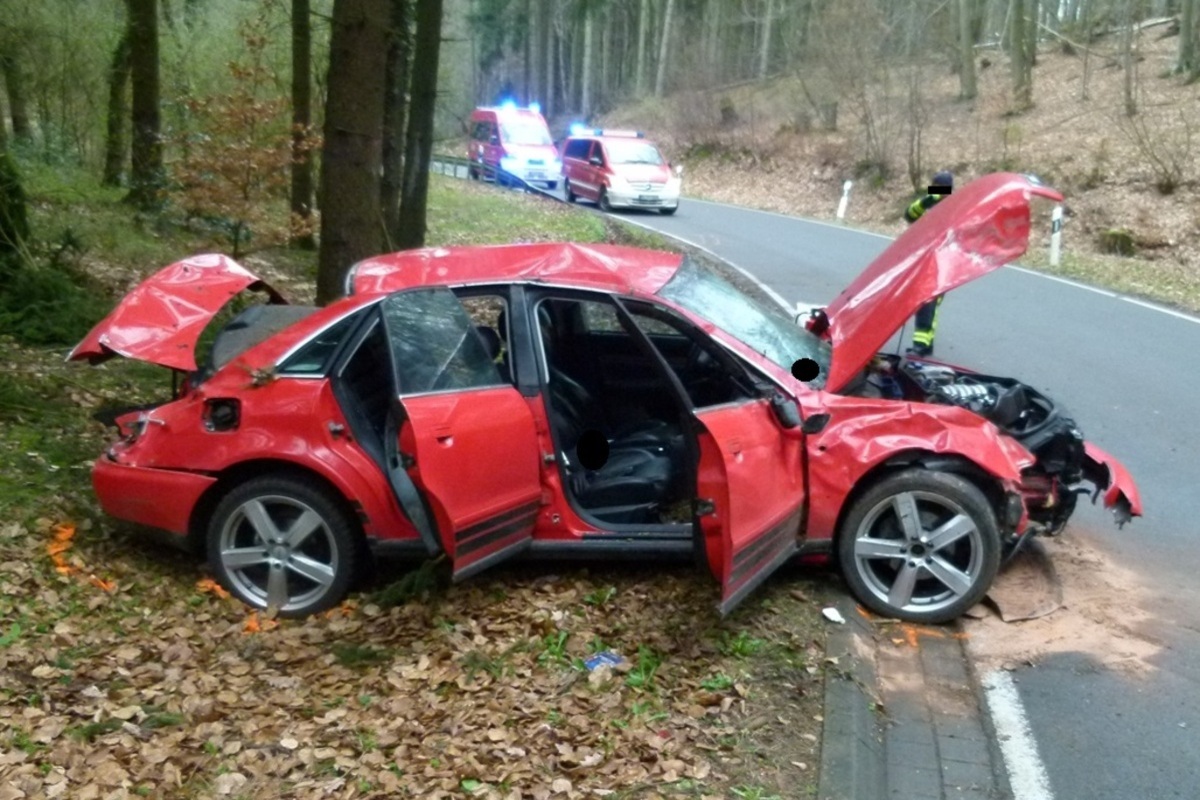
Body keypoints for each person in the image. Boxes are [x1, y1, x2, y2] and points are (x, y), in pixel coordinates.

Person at [904, 170, 953, 357]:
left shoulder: (955, 205)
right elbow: (909, 214)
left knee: (930, 302)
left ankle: (921, 345)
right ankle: (924, 345)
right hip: (926, 260)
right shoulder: (928, 203)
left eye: (940, 187)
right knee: (926, 302)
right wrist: (929, 199)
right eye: (935, 186)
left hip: (943, 262)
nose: (937, 190)